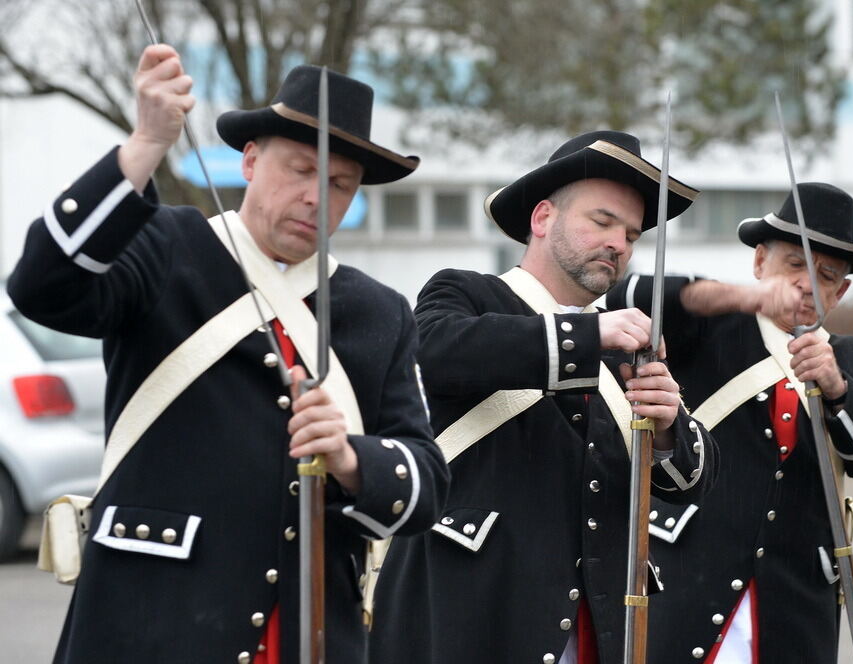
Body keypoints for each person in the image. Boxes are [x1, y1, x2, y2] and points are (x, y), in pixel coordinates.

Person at [7, 44, 449, 664]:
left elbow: (426, 483)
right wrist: (144, 145)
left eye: (339, 185)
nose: (316, 198)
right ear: (249, 160)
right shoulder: (165, 245)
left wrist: (353, 460)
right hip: (150, 628)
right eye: (299, 170)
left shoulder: (378, 310)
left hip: (309, 635)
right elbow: (42, 284)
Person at [370, 130, 719, 664]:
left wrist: (669, 424)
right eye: (602, 222)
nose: (620, 244)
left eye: (630, 233)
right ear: (542, 220)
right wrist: (589, 335)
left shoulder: (619, 347)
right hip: (467, 618)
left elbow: (686, 484)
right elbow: (435, 351)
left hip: (596, 630)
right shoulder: (466, 294)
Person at [607, 182, 853, 663]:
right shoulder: (710, 322)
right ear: (758, 262)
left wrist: (837, 388)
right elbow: (625, 294)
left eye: (826, 275)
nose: (807, 285)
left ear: (842, 290)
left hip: (796, 601)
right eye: (794, 265)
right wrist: (740, 297)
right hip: (689, 571)